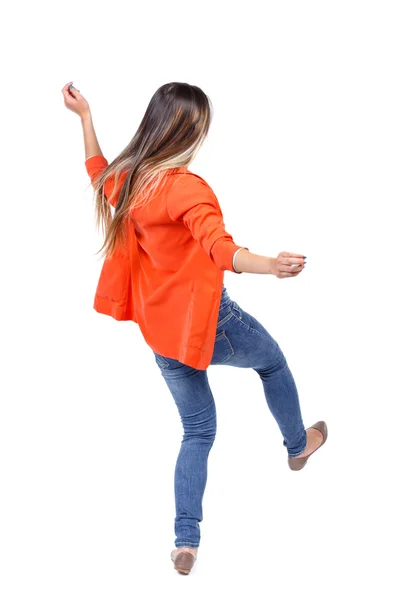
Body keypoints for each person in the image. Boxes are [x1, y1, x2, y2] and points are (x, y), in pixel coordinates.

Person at [62, 80, 328, 575]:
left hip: (161, 333)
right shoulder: (185, 187)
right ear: (192, 130)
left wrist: (85, 117)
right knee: (272, 362)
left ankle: (186, 540)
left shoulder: (132, 178)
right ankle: (298, 446)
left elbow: (99, 175)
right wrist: (271, 265)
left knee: (198, 432)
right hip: (212, 324)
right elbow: (218, 247)